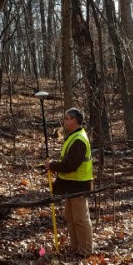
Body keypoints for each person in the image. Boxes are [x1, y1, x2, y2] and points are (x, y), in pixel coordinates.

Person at [46, 108, 93, 256]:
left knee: (80, 219)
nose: (64, 121)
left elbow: (71, 165)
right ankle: (76, 248)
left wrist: (52, 166)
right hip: (70, 185)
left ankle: (85, 251)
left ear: (74, 120)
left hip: (79, 185)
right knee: (71, 218)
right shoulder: (73, 137)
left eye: (67, 118)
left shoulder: (79, 140)